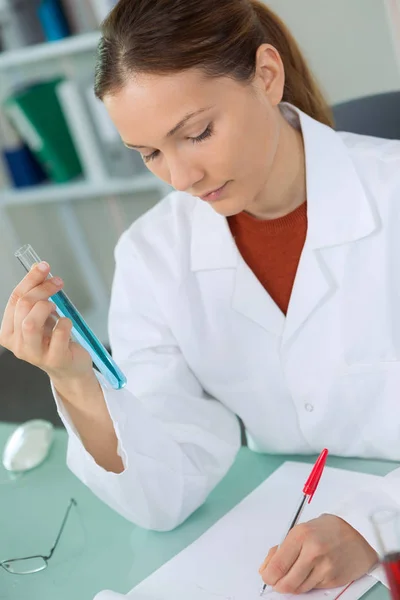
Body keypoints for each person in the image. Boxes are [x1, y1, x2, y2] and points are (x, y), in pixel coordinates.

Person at [1, 0, 400, 593]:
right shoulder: (153, 253)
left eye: (197, 134)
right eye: (152, 155)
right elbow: (165, 495)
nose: (181, 178)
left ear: (266, 76)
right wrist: (76, 382)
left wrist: (377, 522)